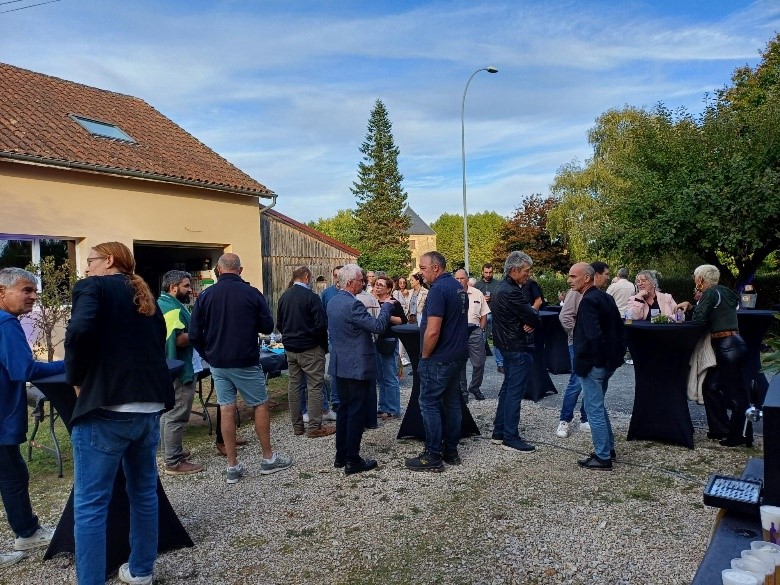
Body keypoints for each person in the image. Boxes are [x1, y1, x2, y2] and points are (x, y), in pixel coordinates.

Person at [65, 242, 172, 584]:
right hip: (148, 408)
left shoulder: (93, 287)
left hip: (107, 408)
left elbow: (78, 330)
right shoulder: (145, 296)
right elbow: (159, 340)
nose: (86, 267)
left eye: (90, 260)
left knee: (90, 505)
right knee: (143, 494)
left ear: (108, 260)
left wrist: (76, 378)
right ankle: (141, 571)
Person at [189, 253, 292, 484]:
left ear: (219, 270)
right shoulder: (251, 293)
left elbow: (194, 333)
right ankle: (268, 458)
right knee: (260, 404)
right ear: (240, 270)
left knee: (226, 408)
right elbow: (267, 326)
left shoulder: (206, 295)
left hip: (218, 362)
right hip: (245, 359)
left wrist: (208, 354)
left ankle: (232, 465)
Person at [0, 268, 63, 568]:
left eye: (35, 290)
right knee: (12, 475)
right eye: (26, 290)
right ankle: (27, 532)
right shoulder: (5, 323)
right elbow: (24, 370)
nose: (34, 296)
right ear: (2, 291)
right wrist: (69, 364)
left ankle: (27, 532)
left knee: (14, 473)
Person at [327, 264, 394, 475]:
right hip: (356, 366)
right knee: (356, 412)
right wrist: (386, 308)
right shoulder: (353, 304)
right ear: (349, 283)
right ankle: (353, 459)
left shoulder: (333, 301)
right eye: (360, 280)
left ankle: (341, 455)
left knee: (344, 411)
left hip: (340, 365)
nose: (363, 283)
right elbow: (377, 327)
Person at [675, 264, 751, 447]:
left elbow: (699, 319)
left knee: (735, 393)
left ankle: (739, 435)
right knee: (711, 386)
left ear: (701, 279)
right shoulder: (725, 291)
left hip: (726, 346)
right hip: (735, 343)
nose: (695, 281)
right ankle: (720, 428)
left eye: (696, 278)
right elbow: (717, 312)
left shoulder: (710, 293)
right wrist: (693, 305)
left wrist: (693, 307)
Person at [405, 251, 468, 471]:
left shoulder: (438, 290)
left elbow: (432, 330)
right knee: (452, 403)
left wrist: (424, 357)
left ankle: (433, 455)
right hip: (456, 355)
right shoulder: (458, 287)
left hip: (439, 358)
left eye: (423, 268)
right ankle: (451, 451)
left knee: (429, 402)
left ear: (436, 268)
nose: (420, 273)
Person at [567, 262, 626, 471]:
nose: (569, 280)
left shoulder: (589, 301)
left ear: (587, 278)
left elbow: (593, 336)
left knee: (593, 409)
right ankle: (608, 449)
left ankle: (603, 457)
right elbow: (619, 331)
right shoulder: (605, 297)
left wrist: (595, 361)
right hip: (606, 363)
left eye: (573, 276)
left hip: (594, 365)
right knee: (598, 406)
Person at [489, 251, 541, 453]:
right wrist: (531, 320)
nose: (528, 274)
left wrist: (530, 319)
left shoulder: (500, 288)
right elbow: (533, 316)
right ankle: (510, 436)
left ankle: (499, 432)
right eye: (526, 270)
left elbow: (529, 316)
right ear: (514, 270)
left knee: (508, 389)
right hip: (517, 346)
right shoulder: (511, 291)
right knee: (514, 392)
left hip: (506, 345)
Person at [277, 266, 334, 439]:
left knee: (294, 386)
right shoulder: (311, 297)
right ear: (307, 277)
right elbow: (321, 324)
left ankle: (297, 426)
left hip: (291, 348)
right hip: (310, 348)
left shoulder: (284, 296)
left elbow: (279, 324)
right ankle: (315, 427)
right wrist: (321, 345)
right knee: (314, 386)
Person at [156, 270, 204, 476]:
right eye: (186, 286)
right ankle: (173, 461)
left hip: (170, 367)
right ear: (173, 287)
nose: (190, 290)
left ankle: (171, 451)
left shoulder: (164, 303)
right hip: (180, 368)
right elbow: (177, 340)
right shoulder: (172, 309)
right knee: (177, 414)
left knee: (168, 413)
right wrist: (200, 333)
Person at [555, 288, 588, 438]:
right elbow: (565, 316)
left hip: (592, 344)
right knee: (576, 381)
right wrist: (577, 333)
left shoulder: (597, 292)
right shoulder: (576, 292)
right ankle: (565, 420)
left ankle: (585, 418)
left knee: (590, 381)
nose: (606, 278)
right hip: (577, 343)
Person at [373, 276, 407, 419]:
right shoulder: (373, 302)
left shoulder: (393, 303)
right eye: (376, 284)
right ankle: (383, 407)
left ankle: (393, 409)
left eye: (381, 285)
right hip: (376, 341)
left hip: (389, 340)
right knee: (380, 377)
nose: (377, 287)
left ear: (388, 289)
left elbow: (403, 320)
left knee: (390, 376)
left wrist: (386, 315)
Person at [454, 268, 489, 401]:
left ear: (467, 279)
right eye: (457, 278)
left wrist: (481, 330)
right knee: (460, 363)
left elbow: (484, 313)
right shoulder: (452, 294)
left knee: (479, 363)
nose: (459, 281)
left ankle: (474, 387)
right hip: (458, 332)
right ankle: (463, 392)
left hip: (474, 331)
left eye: (462, 278)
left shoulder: (477, 293)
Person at [474, 263, 502, 373]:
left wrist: (492, 298)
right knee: (480, 339)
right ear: (482, 272)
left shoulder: (498, 284)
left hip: (495, 313)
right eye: (486, 272)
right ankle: (479, 364)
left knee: (497, 338)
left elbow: (501, 299)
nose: (488, 274)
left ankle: (500, 363)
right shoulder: (477, 285)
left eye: (490, 272)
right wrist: (482, 299)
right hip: (482, 315)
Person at [393, 276, 412, 366]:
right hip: (401, 316)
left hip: (407, 315)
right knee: (401, 337)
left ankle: (402, 356)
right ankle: (401, 357)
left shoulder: (409, 292)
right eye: (400, 283)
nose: (402, 284)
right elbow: (397, 304)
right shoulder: (396, 292)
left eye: (404, 283)